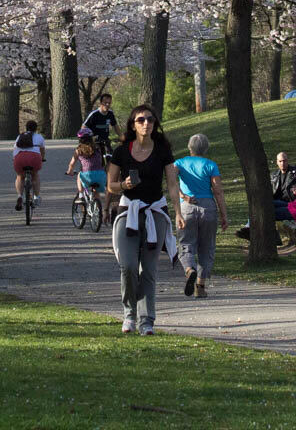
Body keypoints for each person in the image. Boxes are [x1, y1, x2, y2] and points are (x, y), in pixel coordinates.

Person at [107, 103, 180, 335]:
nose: (146, 123)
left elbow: (171, 183)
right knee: (127, 266)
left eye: (150, 119)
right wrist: (124, 185)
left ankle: (146, 320)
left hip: (154, 212)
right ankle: (129, 313)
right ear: (132, 124)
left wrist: (178, 211)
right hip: (127, 211)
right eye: (141, 120)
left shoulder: (162, 150)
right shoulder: (121, 152)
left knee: (148, 270)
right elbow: (110, 185)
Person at [174, 133, 229, 299]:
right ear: (206, 148)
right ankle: (200, 286)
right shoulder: (211, 165)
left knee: (186, 244)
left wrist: (183, 196)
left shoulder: (180, 163)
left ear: (189, 147)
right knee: (207, 247)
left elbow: (171, 182)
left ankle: (189, 269)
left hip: (187, 207)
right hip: (208, 208)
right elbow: (217, 191)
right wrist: (224, 214)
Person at [66, 128, 109, 219]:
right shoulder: (98, 148)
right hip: (101, 175)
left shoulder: (78, 150)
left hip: (87, 176)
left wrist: (69, 171)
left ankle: (81, 194)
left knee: (79, 175)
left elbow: (72, 163)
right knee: (96, 193)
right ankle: (96, 210)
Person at [12, 119, 47, 210]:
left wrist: (14, 159)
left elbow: (15, 150)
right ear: (36, 129)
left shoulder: (19, 136)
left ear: (26, 128)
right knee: (35, 175)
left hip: (20, 157)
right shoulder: (39, 137)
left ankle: (20, 195)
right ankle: (36, 197)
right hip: (34, 158)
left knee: (20, 176)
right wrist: (42, 158)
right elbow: (42, 150)